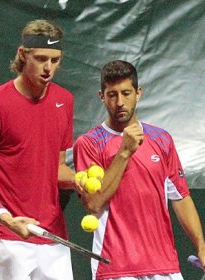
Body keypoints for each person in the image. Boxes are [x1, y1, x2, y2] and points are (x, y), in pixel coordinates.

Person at [0, 19, 77, 280]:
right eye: (40, 59)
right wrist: (5, 217)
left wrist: (80, 182)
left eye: (55, 60)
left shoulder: (65, 101)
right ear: (22, 55)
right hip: (8, 237)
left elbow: (57, 167)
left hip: (53, 236)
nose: (48, 68)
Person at [73, 60, 205, 280]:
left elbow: (181, 197)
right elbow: (93, 203)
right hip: (115, 267)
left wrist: (201, 244)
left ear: (138, 93)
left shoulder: (162, 139)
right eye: (112, 94)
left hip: (164, 265)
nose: (120, 102)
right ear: (101, 96)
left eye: (126, 93)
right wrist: (124, 151)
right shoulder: (89, 143)